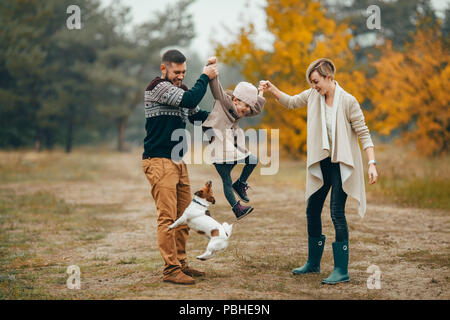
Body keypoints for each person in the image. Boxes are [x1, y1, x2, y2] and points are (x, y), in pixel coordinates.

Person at [259, 58, 378, 284]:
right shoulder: (314, 96)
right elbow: (292, 102)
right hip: (322, 161)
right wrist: (271, 88)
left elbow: (364, 133)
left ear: (329, 77)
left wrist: (372, 163)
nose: (314, 86)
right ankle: (313, 264)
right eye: (311, 82)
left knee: (336, 213)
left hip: (341, 165)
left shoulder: (348, 101)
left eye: (316, 82)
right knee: (312, 209)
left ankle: (341, 270)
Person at [142, 49, 218, 285]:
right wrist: (205, 76)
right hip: (159, 161)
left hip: (178, 160)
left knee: (186, 216)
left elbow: (197, 116)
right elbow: (189, 100)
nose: (180, 76)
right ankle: (170, 270)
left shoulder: (181, 90)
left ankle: (181, 264)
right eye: (176, 72)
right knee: (167, 219)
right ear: (164, 68)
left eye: (184, 72)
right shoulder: (157, 87)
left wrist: (229, 113)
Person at [201, 57, 266, 220]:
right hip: (217, 143)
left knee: (252, 160)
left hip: (231, 144)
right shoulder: (224, 102)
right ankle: (237, 208)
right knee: (227, 180)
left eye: (246, 109)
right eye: (242, 105)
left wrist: (261, 91)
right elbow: (216, 87)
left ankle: (241, 183)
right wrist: (211, 66)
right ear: (235, 99)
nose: (244, 111)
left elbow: (256, 108)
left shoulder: (243, 108)